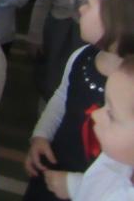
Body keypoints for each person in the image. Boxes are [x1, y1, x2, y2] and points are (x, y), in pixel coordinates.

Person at [23, 0, 134, 200]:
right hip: (59, 160)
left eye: (90, 4)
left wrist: (77, 185)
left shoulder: (128, 88)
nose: (81, 8)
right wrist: (42, 135)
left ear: (117, 23)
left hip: (92, 181)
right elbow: (61, 98)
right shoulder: (82, 57)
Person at [50, 56, 134, 200]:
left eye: (111, 115)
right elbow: (103, 182)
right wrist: (75, 185)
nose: (95, 115)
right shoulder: (120, 158)